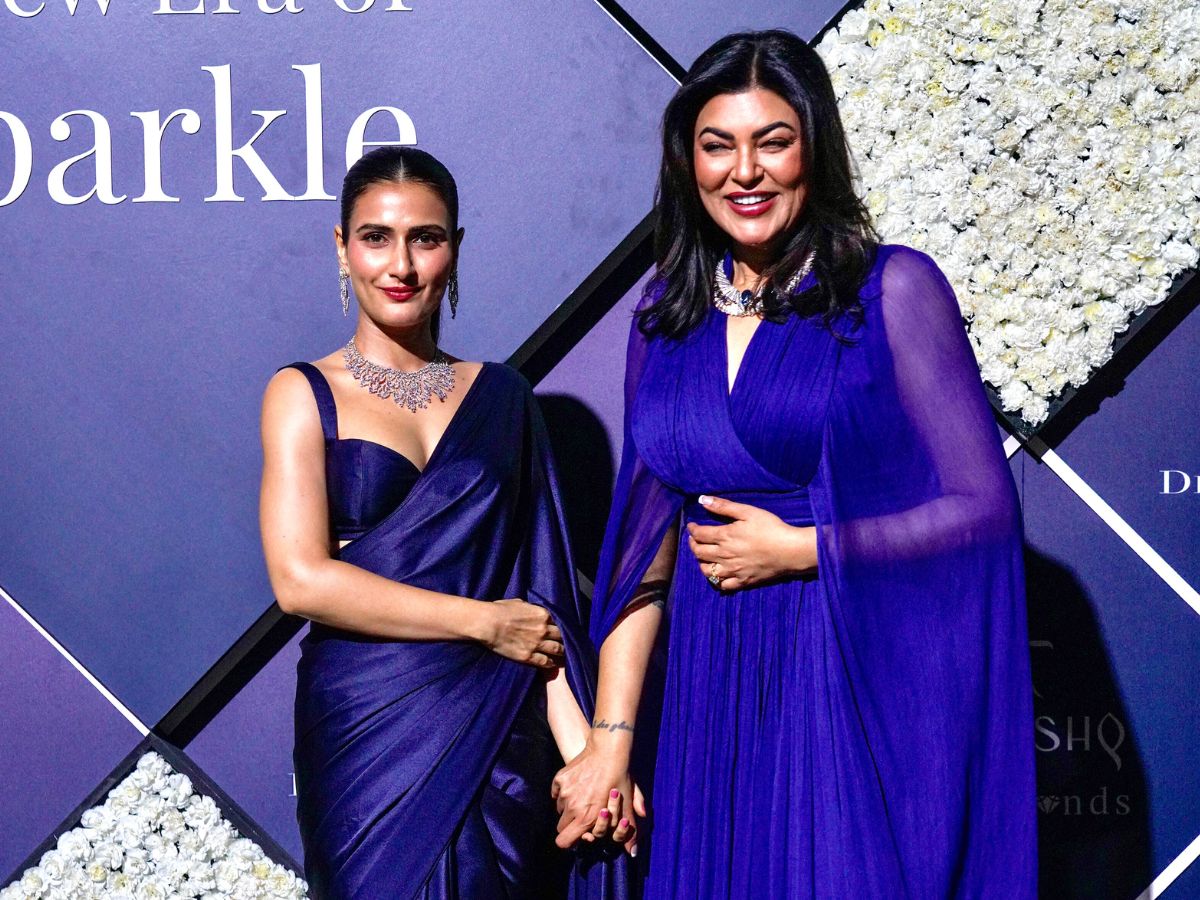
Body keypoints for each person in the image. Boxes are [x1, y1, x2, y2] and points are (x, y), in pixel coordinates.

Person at [551, 30, 1037, 898]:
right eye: (718, 146)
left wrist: (805, 548)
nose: (746, 172)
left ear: (814, 148)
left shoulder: (891, 290)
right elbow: (642, 560)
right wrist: (611, 743)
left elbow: (982, 507)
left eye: (772, 142)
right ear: (687, 162)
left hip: (842, 678)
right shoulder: (665, 313)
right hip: (710, 696)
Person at [258, 146, 628, 898]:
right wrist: (481, 623)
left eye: (424, 238)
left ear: (455, 249)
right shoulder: (301, 393)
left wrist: (587, 760)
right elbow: (300, 582)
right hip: (367, 722)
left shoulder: (504, 398)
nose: (400, 265)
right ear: (342, 247)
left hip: (502, 725)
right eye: (376, 237)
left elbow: (541, 603)